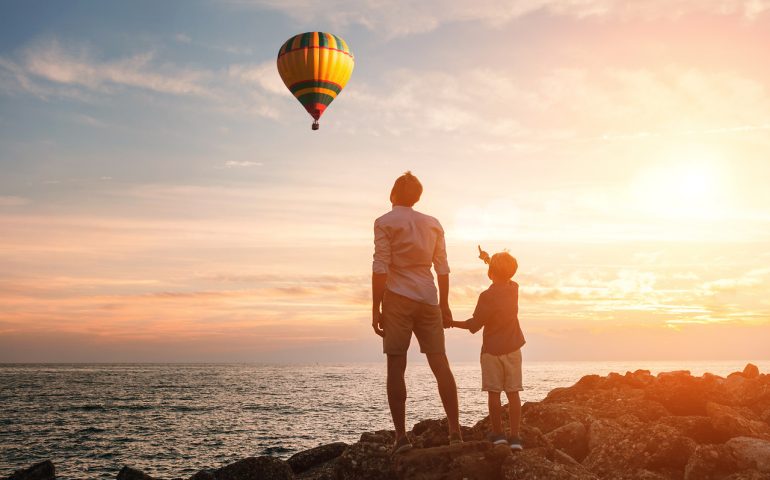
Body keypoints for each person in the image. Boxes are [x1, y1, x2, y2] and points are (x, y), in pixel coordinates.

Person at [371, 171, 462, 454]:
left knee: (396, 367)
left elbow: (380, 266)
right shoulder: (432, 224)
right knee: (441, 364)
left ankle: (401, 438)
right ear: (418, 196)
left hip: (398, 298)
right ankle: (455, 433)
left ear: (394, 193)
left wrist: (376, 307)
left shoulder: (384, 222)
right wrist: (444, 305)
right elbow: (443, 268)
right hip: (428, 298)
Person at [451, 248, 526, 451]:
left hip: (492, 351)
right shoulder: (514, 289)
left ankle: (498, 435)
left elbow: (474, 325)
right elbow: (503, 274)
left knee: (494, 393)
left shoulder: (487, 296)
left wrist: (451, 323)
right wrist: (487, 260)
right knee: (513, 393)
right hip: (513, 349)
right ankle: (516, 437)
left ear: (490, 272)